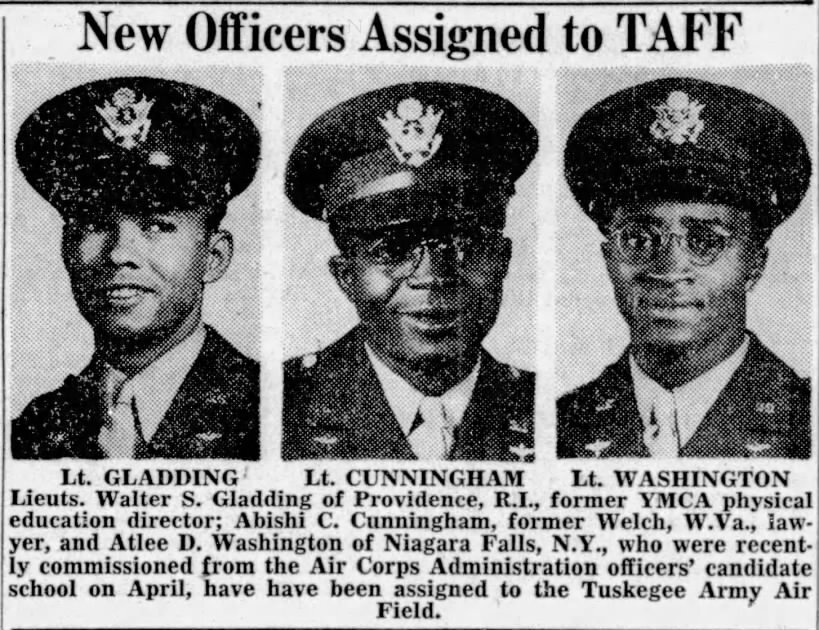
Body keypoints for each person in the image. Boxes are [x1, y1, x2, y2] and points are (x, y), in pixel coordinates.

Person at [557, 77, 812, 459]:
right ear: (609, 260)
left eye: (705, 241)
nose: (670, 268)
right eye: (640, 239)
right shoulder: (558, 427)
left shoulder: (805, 424)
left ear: (755, 263)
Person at [282, 82, 537, 461]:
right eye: (393, 249)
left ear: (501, 259)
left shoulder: (553, 414)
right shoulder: (277, 407)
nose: (432, 276)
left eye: (462, 242)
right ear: (346, 277)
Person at [13, 77, 261, 460]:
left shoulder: (271, 413)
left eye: (157, 224)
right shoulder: (34, 430)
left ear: (214, 256)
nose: (119, 254)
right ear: (66, 251)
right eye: (94, 223)